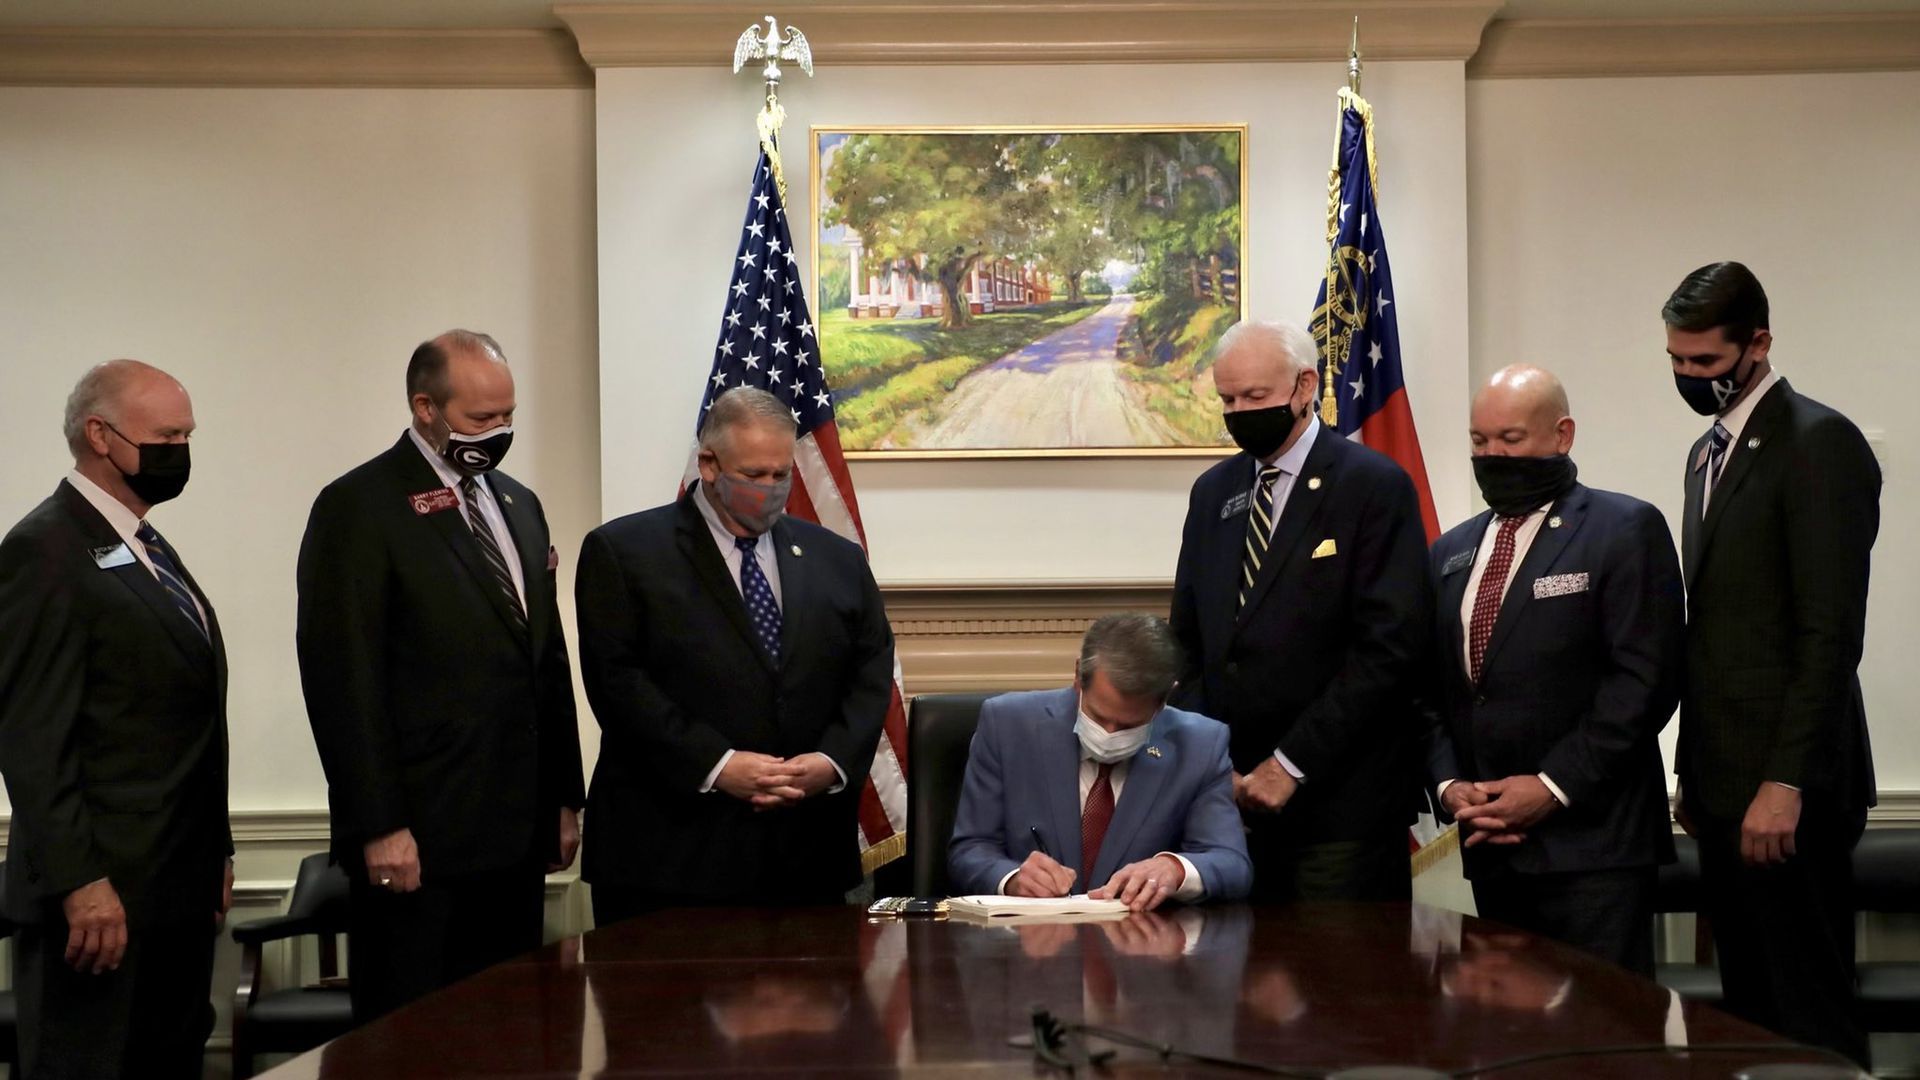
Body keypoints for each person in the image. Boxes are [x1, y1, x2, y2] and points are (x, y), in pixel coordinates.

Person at [296, 329, 585, 1022]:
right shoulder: (359, 506)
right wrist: (379, 826)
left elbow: (545, 658)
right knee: (414, 1038)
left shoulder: (517, 503)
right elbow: (343, 679)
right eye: (481, 419)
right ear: (425, 407)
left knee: (511, 1032)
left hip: (514, 834)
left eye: (509, 416)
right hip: (419, 838)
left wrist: (564, 796)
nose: (499, 431)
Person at [574, 386, 894, 924]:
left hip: (803, 861)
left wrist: (830, 762)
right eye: (753, 475)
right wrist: (717, 765)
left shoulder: (835, 559)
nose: (770, 490)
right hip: (668, 863)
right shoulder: (624, 553)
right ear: (709, 464)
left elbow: (871, 669)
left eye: (781, 474)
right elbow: (618, 683)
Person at [1665, 261, 1878, 1063]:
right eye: (1677, 362)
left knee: (1807, 1007)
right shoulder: (1705, 452)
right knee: (1747, 1012)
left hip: (1791, 792)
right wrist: (1695, 772)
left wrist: (1783, 783)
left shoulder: (1819, 441)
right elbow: (1717, 632)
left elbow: (1828, 634)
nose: (1689, 377)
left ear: (1758, 343)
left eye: (1707, 363)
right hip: (1725, 785)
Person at [0, 360, 232, 1078]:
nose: (181, 450)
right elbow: (34, 738)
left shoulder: (144, 546)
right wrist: (80, 882)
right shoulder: (45, 548)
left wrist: (216, 846)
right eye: (166, 435)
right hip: (101, 902)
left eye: (188, 434)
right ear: (99, 436)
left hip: (175, 889)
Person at [1422, 364, 1683, 974]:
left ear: (1562, 435)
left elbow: (1645, 682)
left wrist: (1551, 787)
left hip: (1595, 848)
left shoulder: (1624, 529)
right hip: (1490, 842)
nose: (1492, 455)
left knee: (1604, 1043)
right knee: (1512, 1045)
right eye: (1479, 442)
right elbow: (1430, 690)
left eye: (1510, 440)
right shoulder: (1450, 551)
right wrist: (1450, 786)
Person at [1170, 319, 1431, 902]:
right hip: (1228, 811)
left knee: (1340, 988)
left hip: (1340, 810)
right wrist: (1215, 766)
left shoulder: (1372, 485)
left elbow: (1389, 650)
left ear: (1305, 386)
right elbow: (1186, 646)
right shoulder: (1213, 493)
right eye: (1227, 399)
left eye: (1255, 397)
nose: (1239, 412)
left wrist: (1288, 765)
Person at [946, 613, 1253, 909]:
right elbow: (970, 850)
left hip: (1141, 949)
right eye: (1100, 717)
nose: (1109, 734)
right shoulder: (1007, 725)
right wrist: (1011, 879)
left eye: (1128, 725)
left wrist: (1174, 869)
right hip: (1031, 948)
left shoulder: (1201, 744)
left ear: (1164, 699)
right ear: (1079, 676)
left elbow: (1231, 863)